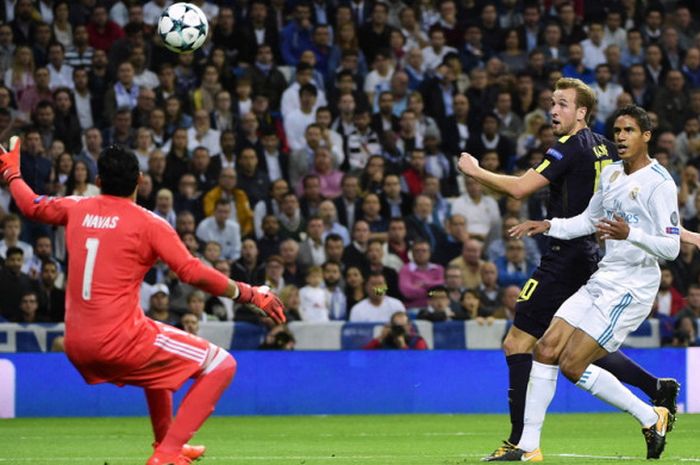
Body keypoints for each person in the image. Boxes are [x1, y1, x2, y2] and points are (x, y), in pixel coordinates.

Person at [0, 138, 285, 465]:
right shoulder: (150, 223)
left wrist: (12, 174)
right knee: (221, 364)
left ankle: (166, 441)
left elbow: (31, 204)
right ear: (139, 182)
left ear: (98, 183)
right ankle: (166, 455)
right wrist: (249, 293)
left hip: (76, 344)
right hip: (119, 342)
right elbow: (190, 272)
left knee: (156, 345)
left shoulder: (76, 207)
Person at [458, 78, 680, 461]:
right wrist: (548, 225)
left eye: (562, 104)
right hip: (597, 265)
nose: (553, 110)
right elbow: (589, 218)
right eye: (618, 130)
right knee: (549, 349)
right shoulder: (610, 164)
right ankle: (529, 446)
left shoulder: (648, 178)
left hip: (609, 276)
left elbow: (669, 243)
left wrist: (475, 171)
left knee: (556, 356)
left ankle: (646, 413)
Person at [363, 310, 427, 350]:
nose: (399, 329)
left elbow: (418, 361)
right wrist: (380, 338)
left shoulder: (417, 341)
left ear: (409, 326)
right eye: (396, 326)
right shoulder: (385, 340)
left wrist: (403, 345)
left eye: (402, 326)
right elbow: (363, 355)